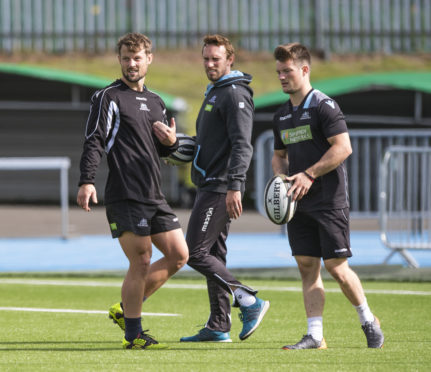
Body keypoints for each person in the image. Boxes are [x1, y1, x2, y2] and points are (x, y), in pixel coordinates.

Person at [77, 32, 189, 350]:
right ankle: (134, 333)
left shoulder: (156, 102)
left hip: (154, 195)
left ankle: (126, 311)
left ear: (148, 59)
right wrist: (86, 181)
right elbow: (94, 140)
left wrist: (172, 142)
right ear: (120, 60)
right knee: (141, 259)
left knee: (180, 255)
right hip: (125, 194)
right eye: (126, 58)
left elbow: (164, 152)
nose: (131, 64)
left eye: (137, 58)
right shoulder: (108, 97)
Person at [271, 42, 384, 349]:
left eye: (287, 71)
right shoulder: (281, 115)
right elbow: (279, 155)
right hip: (298, 204)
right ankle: (315, 336)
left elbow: (343, 147)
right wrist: (281, 177)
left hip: (329, 199)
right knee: (307, 266)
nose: (281, 77)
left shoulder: (324, 106)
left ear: (304, 70)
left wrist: (310, 173)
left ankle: (368, 319)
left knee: (337, 268)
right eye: (279, 71)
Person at [180, 34, 270, 343]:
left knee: (193, 252)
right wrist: (174, 145)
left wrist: (236, 186)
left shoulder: (234, 95)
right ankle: (219, 323)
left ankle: (249, 300)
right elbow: (211, 145)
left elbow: (242, 145)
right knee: (214, 255)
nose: (209, 64)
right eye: (205, 58)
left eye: (215, 59)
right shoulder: (215, 92)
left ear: (229, 60)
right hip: (209, 184)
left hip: (220, 188)